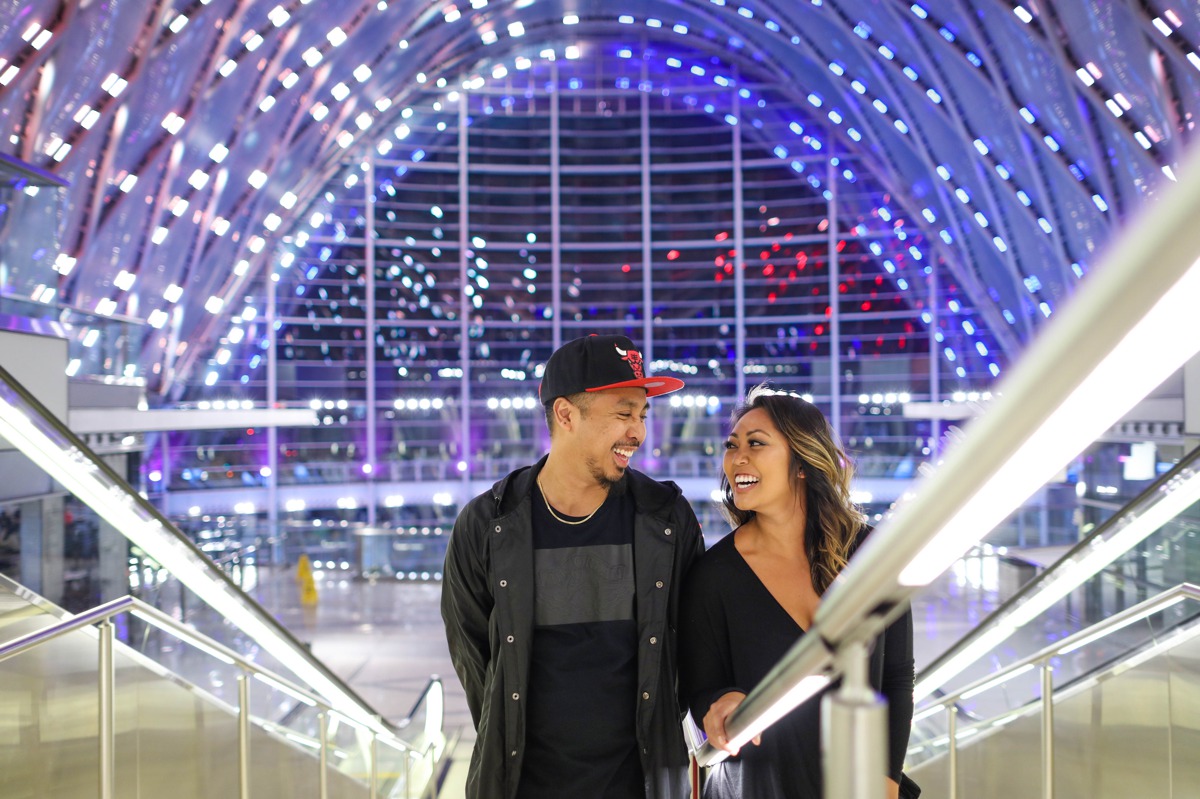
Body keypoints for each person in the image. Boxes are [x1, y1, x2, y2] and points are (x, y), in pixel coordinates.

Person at [442, 334, 706, 799]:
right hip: (521, 786)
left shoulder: (666, 519)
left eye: (642, 415)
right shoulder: (487, 524)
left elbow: (693, 645)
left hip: (641, 785)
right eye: (623, 414)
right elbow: (475, 662)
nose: (639, 432)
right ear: (565, 414)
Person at [679, 385, 914, 799]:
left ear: (803, 463)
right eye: (732, 446)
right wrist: (720, 702)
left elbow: (895, 678)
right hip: (758, 787)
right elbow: (700, 689)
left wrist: (886, 782)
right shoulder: (713, 575)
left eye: (756, 444)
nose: (737, 458)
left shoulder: (871, 553)